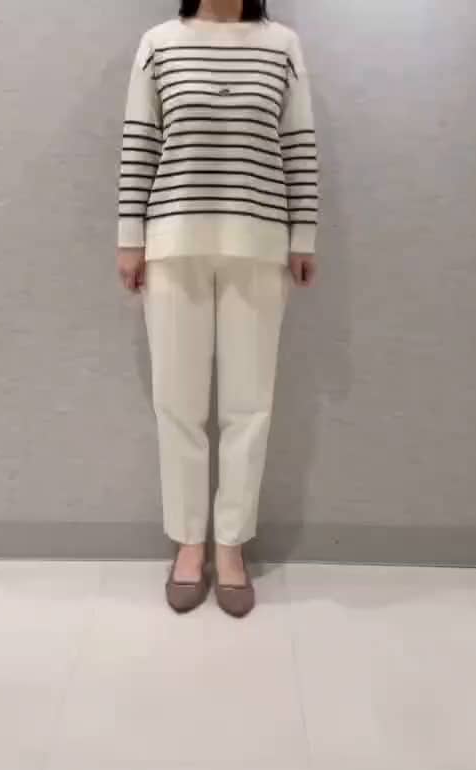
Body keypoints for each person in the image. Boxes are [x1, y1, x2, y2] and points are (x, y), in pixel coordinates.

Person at [116, 0, 318, 617]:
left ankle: (230, 546)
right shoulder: (159, 43)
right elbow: (139, 142)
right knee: (176, 403)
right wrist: (129, 237)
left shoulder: (282, 45)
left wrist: (304, 235)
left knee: (249, 406)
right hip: (172, 241)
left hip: (259, 244)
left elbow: (299, 143)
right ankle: (189, 543)